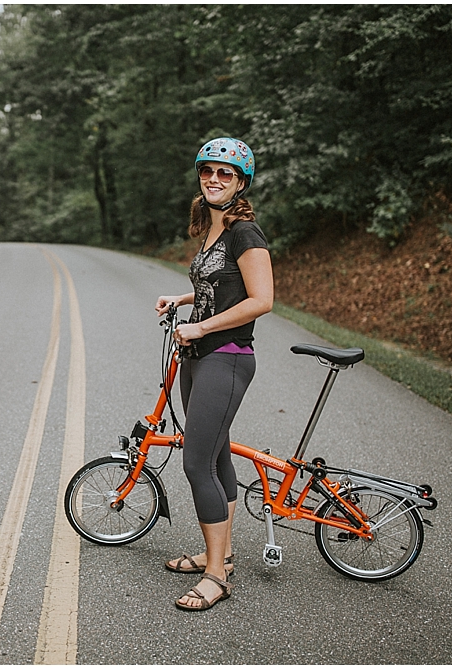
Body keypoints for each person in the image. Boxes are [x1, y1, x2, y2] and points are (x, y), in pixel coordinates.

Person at [155, 137, 273, 611]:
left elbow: (261, 299)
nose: (215, 179)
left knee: (195, 463)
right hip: (198, 356)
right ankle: (218, 552)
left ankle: (216, 576)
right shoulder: (212, 228)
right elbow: (221, 286)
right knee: (218, 457)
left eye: (226, 174)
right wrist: (182, 300)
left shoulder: (246, 233)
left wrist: (200, 324)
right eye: (209, 171)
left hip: (226, 356)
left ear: (240, 182)